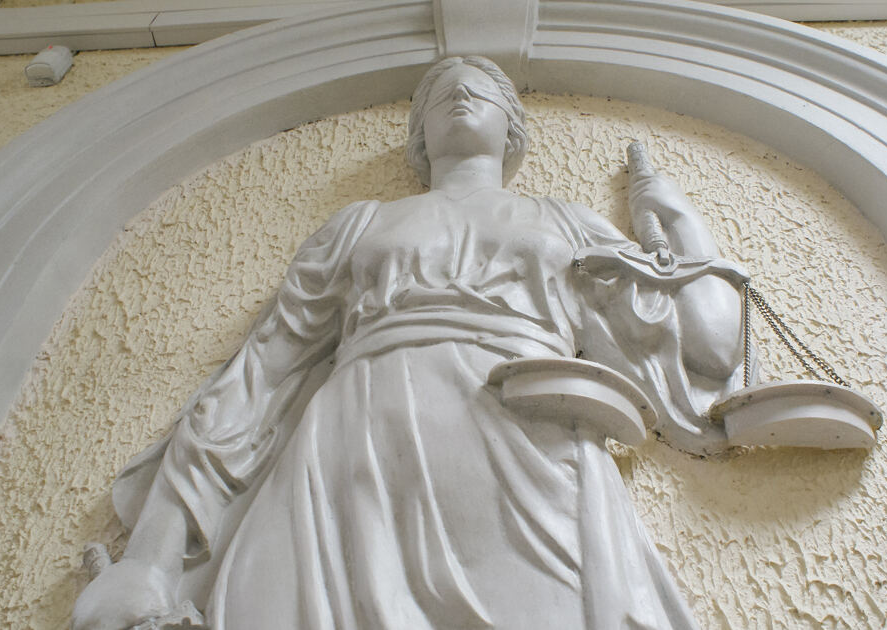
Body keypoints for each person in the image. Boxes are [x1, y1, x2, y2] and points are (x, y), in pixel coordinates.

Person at [73, 55, 746, 630]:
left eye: (482, 89)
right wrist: (150, 560)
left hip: (529, 454)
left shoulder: (566, 223)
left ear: (513, 127)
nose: (461, 88)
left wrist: (675, 219)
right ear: (418, 135)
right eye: (441, 91)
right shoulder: (358, 225)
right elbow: (258, 376)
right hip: (353, 449)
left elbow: (709, 349)